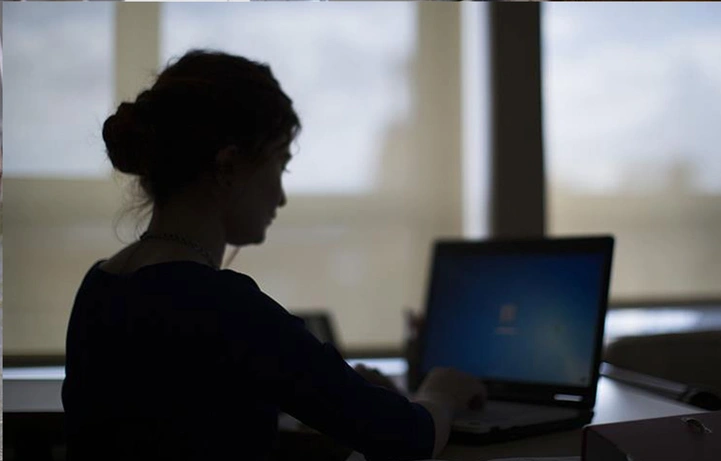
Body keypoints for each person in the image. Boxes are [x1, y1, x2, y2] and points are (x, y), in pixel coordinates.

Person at [62, 49, 487, 461]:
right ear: (228, 166)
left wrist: (333, 396)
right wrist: (440, 395)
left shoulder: (99, 285)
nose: (281, 197)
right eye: (280, 165)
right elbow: (410, 439)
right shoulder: (225, 307)